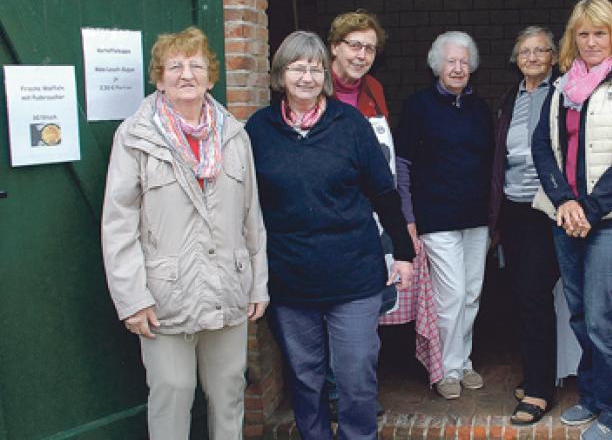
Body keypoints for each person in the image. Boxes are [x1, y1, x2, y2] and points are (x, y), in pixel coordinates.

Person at [101, 26, 269, 440]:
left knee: (229, 390)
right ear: (160, 78)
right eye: (174, 66)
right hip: (164, 296)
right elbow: (118, 223)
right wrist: (132, 298)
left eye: (196, 65)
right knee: (172, 392)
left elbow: (252, 216)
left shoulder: (234, 135)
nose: (186, 74)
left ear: (211, 77)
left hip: (226, 287)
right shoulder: (136, 137)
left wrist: (258, 284)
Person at [245, 31, 413, 440]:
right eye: (297, 67)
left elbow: (383, 191)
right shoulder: (259, 129)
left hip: (354, 274)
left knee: (356, 373)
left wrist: (403, 253)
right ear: (280, 74)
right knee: (306, 377)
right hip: (291, 278)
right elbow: (245, 205)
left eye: (314, 68)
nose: (306, 76)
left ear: (325, 74)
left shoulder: (350, 123)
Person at [531, 0, 612, 440]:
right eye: (582, 33)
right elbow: (543, 148)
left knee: (603, 318)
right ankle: (592, 395)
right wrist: (564, 201)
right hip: (567, 217)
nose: (590, 41)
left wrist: (589, 207)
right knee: (581, 314)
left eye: (599, 33)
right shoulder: (562, 86)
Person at [395, 31, 493, 400]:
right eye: (451, 61)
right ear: (437, 65)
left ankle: (463, 360)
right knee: (449, 295)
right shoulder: (418, 106)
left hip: (476, 217)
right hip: (435, 218)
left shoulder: (480, 109)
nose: (457, 68)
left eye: (464, 62)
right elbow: (402, 165)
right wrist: (408, 218)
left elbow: (490, 166)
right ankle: (446, 368)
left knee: (471, 295)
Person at [326, 9, 397, 420]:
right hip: (333, 215)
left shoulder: (373, 89)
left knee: (365, 310)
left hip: (373, 217)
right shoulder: (314, 88)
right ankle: (337, 392)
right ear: (334, 47)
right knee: (333, 308)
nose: (362, 54)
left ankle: (358, 392)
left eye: (369, 48)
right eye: (354, 45)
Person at [488, 26, 561, 425]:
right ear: (515, 58)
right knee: (521, 293)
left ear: (553, 56)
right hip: (515, 207)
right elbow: (502, 158)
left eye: (540, 51)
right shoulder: (508, 98)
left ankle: (539, 389)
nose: (532, 58)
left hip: (548, 207)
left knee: (535, 295)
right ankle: (538, 374)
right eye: (525, 52)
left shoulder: (564, 92)